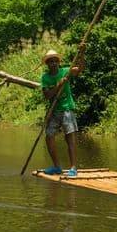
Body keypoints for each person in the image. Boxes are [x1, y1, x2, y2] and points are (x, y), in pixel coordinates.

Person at [36, 47, 83, 176]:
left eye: (55, 61)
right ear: (47, 64)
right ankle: (57, 167)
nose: (53, 63)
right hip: (54, 111)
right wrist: (59, 84)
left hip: (67, 109)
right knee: (49, 136)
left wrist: (82, 52)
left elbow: (79, 69)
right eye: (51, 61)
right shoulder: (45, 78)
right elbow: (47, 95)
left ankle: (73, 167)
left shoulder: (65, 71)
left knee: (70, 138)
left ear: (58, 62)